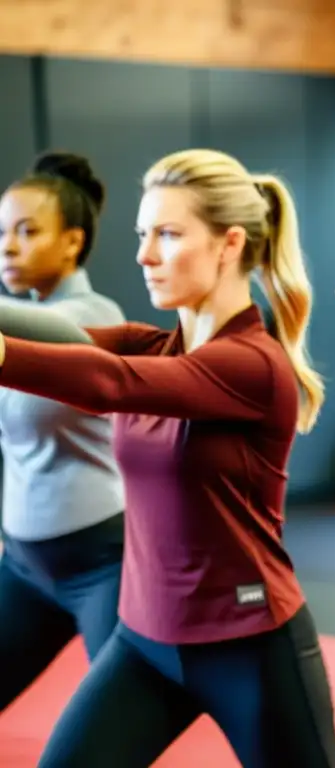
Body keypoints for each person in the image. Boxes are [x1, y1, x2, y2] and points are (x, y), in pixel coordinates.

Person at [0, 148, 335, 767]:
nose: (144, 256)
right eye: (141, 234)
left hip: (249, 648)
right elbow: (54, 335)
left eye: (167, 234)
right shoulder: (159, 345)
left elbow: (107, 382)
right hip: (144, 643)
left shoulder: (251, 366)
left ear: (228, 243)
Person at [0, 152, 126, 713]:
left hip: (104, 564)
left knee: (118, 730)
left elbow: (49, 332)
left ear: (73, 242)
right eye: (2, 231)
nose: (8, 245)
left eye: (27, 232)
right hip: (24, 567)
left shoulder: (93, 319)